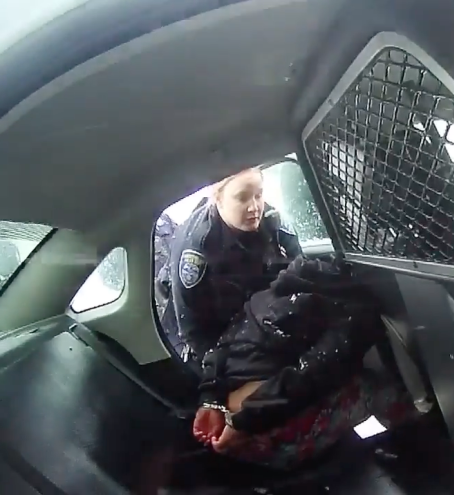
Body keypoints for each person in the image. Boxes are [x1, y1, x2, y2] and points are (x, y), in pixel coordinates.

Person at [190, 256, 421, 469]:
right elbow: (221, 350)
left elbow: (311, 373)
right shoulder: (268, 305)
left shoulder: (295, 318)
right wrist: (212, 401)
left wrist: (244, 420)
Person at [161, 167, 304, 367]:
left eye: (258, 195)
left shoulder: (271, 220)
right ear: (218, 199)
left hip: (256, 316)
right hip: (209, 333)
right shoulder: (196, 249)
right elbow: (192, 331)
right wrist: (228, 367)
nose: (254, 207)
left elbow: (302, 272)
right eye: (242, 198)